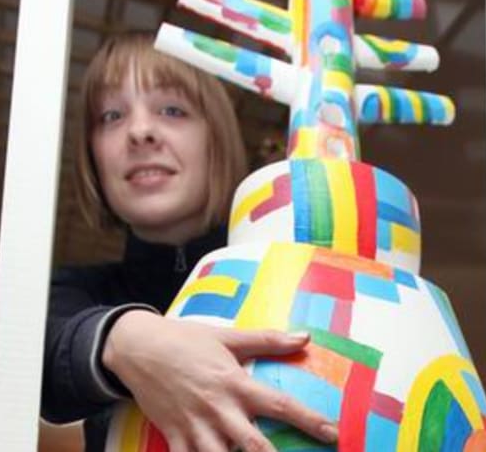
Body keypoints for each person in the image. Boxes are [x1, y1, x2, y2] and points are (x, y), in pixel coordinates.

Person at [41, 33, 338, 452]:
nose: (140, 132)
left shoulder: (297, 277)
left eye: (172, 110)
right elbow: (34, 356)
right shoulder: (74, 292)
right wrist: (124, 339)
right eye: (111, 116)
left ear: (216, 139)